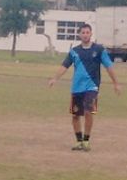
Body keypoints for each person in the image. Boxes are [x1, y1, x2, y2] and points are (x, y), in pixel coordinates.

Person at [48, 23, 121, 151]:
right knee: (75, 115)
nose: (85, 35)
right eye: (83, 33)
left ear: (91, 34)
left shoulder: (99, 50)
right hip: (77, 87)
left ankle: (86, 141)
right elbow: (65, 66)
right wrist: (55, 78)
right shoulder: (74, 51)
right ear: (79, 35)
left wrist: (116, 83)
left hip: (92, 87)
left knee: (88, 112)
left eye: (87, 32)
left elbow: (109, 67)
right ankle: (79, 141)